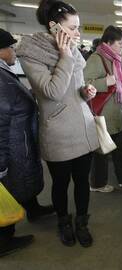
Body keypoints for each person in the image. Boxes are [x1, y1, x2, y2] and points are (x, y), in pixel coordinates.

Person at [16, 0, 100, 248]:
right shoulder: (31, 54)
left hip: (83, 129)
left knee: (83, 181)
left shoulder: (74, 50)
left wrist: (86, 92)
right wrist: (65, 56)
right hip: (58, 134)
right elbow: (52, 91)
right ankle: (64, 221)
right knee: (61, 184)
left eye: (79, 27)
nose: (77, 33)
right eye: (72, 27)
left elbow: (74, 89)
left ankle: (82, 221)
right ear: (54, 27)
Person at [0, 28, 54, 257]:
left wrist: (29, 95)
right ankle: (4, 239)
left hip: (20, 141)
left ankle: (33, 209)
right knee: (9, 190)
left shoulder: (5, 73)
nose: (14, 52)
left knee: (24, 180)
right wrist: (1, 162)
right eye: (11, 48)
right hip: (11, 146)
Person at [84, 25, 122, 192]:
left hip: (116, 115)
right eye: (120, 43)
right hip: (103, 114)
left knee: (120, 150)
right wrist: (104, 82)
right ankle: (97, 184)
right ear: (108, 42)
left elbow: (120, 88)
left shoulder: (115, 59)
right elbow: (84, 84)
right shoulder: (97, 58)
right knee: (101, 152)